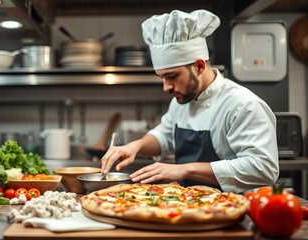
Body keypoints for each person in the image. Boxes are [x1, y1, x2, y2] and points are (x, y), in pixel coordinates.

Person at [101, 9, 279, 193]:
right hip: (189, 204)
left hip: (234, 208)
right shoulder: (181, 100)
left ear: (199, 66)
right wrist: (134, 146)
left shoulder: (242, 105)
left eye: (171, 76)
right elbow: (164, 136)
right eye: (161, 77)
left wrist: (184, 169)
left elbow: (264, 168)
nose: (166, 87)